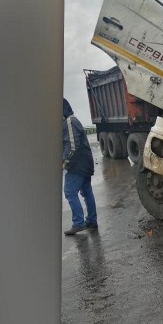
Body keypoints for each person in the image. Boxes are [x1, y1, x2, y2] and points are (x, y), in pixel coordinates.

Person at [63, 98, 98, 235]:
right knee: (87, 192)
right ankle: (91, 221)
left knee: (70, 192)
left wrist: (64, 163)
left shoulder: (69, 122)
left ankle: (78, 223)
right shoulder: (73, 120)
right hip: (85, 163)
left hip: (78, 165)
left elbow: (72, 147)